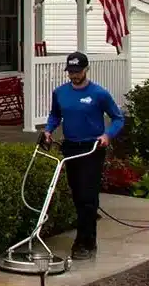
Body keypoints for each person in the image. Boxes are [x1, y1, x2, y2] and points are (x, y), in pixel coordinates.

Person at [43, 51, 125, 260]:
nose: (74, 76)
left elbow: (117, 118)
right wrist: (48, 130)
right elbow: (55, 115)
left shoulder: (99, 94)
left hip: (92, 148)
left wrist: (108, 135)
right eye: (70, 72)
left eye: (78, 72)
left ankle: (86, 242)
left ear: (86, 70)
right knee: (78, 194)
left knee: (88, 196)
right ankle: (84, 234)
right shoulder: (60, 92)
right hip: (71, 148)